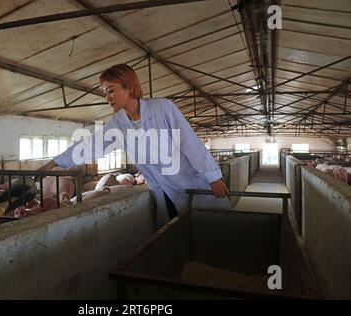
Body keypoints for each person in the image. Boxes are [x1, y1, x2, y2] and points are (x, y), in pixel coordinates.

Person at [36, 64, 230, 226]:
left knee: (212, 227)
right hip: (162, 190)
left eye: (111, 90)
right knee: (177, 232)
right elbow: (90, 145)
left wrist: (213, 177)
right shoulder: (118, 123)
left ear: (129, 87)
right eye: (105, 92)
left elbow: (189, 142)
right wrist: (52, 163)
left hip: (191, 182)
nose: (107, 97)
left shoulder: (162, 108)